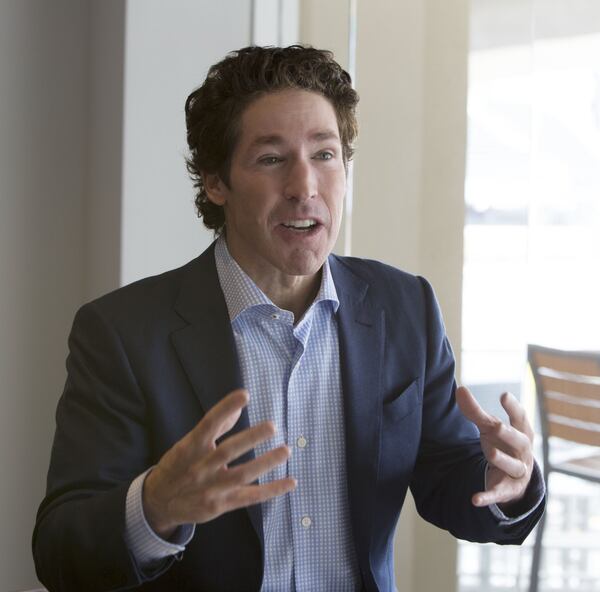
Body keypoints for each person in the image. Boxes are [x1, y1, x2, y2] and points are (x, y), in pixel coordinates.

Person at [33, 45, 544, 592]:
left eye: (325, 155)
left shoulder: (405, 306)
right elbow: (62, 555)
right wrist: (153, 507)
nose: (305, 188)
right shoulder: (123, 332)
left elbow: (449, 477)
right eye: (272, 159)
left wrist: (504, 482)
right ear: (215, 182)